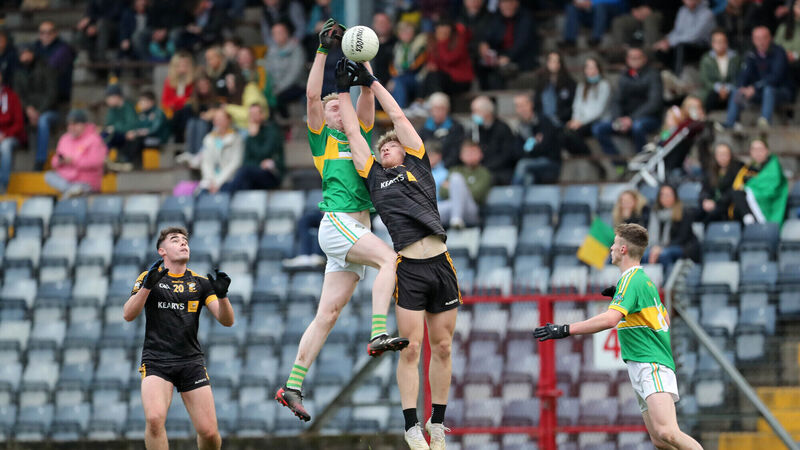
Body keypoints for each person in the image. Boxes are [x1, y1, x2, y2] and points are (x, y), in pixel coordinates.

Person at [275, 19, 409, 423]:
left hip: (356, 230)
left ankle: (292, 385)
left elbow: (365, 94)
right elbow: (312, 95)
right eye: (332, 106)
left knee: (328, 314)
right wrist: (322, 51)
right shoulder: (322, 139)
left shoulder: (360, 135)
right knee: (390, 260)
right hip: (337, 224)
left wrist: (364, 67)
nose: (336, 107)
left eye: (339, 104)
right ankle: (378, 332)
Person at [338, 57, 459, 450]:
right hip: (409, 267)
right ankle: (411, 426)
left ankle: (437, 422)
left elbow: (398, 115)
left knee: (443, 346)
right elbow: (353, 132)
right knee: (412, 349)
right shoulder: (374, 175)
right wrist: (343, 90)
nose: (388, 147)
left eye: (392, 144)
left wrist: (372, 81)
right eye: (383, 147)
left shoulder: (419, 165)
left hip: (440, 263)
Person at [534, 223, 704, 450]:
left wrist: (565, 329)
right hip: (641, 363)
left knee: (668, 432)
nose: (611, 248)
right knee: (659, 439)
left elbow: (610, 319)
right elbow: (664, 319)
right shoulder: (641, 280)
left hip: (650, 363)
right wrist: (621, 297)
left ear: (623, 249)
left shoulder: (631, 280)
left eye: (614, 244)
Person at [124, 227, 234, 450]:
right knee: (154, 420)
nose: (183, 243)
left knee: (209, 432)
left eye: (185, 240)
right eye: (175, 240)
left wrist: (222, 296)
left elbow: (227, 320)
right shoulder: (148, 278)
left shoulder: (200, 283)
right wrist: (147, 287)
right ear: (162, 251)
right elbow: (128, 314)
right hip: (157, 361)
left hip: (190, 362)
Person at [592, 47, 663, 164]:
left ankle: (644, 163)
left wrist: (631, 119)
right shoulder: (624, 76)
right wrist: (618, 119)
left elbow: (654, 103)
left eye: (637, 57)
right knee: (598, 129)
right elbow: (616, 101)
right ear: (627, 59)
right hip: (625, 120)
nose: (634, 60)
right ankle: (620, 165)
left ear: (644, 59)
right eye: (631, 58)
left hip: (648, 118)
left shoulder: (653, 75)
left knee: (638, 127)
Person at [722, 26, 795, 129]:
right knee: (737, 90)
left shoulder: (779, 53)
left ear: (770, 38)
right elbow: (744, 74)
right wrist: (742, 87)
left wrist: (755, 88)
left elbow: (776, 77)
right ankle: (730, 123)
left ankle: (764, 122)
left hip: (781, 91)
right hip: (759, 91)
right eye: (757, 38)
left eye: (764, 38)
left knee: (768, 90)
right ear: (753, 40)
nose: (761, 42)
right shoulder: (751, 54)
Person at [220, 103, 284, 192]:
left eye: (256, 114)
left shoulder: (271, 131)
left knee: (244, 173)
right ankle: (225, 193)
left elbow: (264, 153)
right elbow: (246, 160)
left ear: (262, 115)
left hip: (272, 174)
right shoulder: (250, 135)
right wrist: (252, 136)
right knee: (242, 182)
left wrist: (254, 136)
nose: (253, 117)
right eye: (251, 114)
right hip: (253, 173)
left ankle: (225, 194)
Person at [14, 45, 58, 171]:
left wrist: (38, 112)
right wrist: (28, 109)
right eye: (21, 54)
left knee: (43, 121)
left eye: (26, 52)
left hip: (49, 111)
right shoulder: (18, 73)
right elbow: (18, 95)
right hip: (27, 112)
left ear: (32, 53)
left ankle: (40, 160)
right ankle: (22, 144)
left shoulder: (46, 68)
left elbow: (52, 94)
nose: (24, 56)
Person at [44, 109, 107, 198]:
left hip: (86, 181)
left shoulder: (94, 139)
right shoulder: (64, 139)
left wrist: (73, 161)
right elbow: (54, 161)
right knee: (49, 176)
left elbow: (96, 162)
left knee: (78, 189)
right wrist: (60, 161)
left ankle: (72, 191)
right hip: (66, 180)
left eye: (75, 124)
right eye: (69, 124)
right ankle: (71, 190)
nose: (71, 127)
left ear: (84, 124)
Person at [478, 0, 537, 89]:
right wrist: (484, 43)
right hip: (500, 58)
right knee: (481, 67)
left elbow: (521, 43)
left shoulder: (526, 18)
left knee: (498, 76)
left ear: (516, 3)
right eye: (504, 3)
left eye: (510, 2)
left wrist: (508, 57)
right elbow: (489, 36)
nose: (507, 6)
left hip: (520, 59)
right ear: (499, 5)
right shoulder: (496, 18)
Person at [644, 184, 700, 276]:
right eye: (662, 195)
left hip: (683, 247)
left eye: (668, 195)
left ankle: (666, 280)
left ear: (675, 197)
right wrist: (655, 248)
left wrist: (661, 248)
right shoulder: (654, 213)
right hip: (657, 247)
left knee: (664, 254)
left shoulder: (684, 212)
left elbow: (682, 238)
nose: (665, 198)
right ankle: (648, 280)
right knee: (644, 254)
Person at [728, 139, 788, 224]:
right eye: (754, 150)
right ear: (750, 152)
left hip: (768, 204)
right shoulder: (748, 169)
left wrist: (747, 187)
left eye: (760, 149)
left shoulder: (773, 167)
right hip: (747, 204)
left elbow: (772, 188)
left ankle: (748, 219)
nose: (757, 153)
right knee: (735, 198)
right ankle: (747, 217)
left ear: (767, 151)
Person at [562, 57, 611, 156]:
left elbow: (599, 110)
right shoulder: (582, 85)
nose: (590, 70)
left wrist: (580, 122)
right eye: (588, 67)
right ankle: (583, 156)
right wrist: (575, 120)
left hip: (597, 120)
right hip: (581, 120)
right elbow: (577, 105)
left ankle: (589, 156)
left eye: (593, 67)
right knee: (563, 133)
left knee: (573, 133)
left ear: (599, 69)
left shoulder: (604, 85)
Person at [652, 0, 715, 76]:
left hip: (702, 46)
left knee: (680, 46)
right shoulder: (682, 11)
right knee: (660, 48)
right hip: (682, 43)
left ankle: (678, 76)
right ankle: (665, 75)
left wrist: (671, 42)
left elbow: (694, 36)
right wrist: (666, 40)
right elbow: (676, 31)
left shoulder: (707, 13)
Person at [439, 140, 492, 229]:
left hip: (471, 210)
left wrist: (459, 187)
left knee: (456, 178)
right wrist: (463, 188)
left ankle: (456, 218)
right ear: (461, 156)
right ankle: (455, 220)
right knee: (431, 210)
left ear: (481, 154)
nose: (470, 155)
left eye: (473, 152)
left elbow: (477, 195)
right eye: (467, 152)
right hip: (452, 205)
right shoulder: (454, 169)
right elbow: (442, 192)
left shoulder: (484, 173)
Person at [511, 93, 562, 185]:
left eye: (523, 105)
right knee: (528, 177)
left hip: (550, 162)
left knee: (523, 165)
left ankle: (512, 192)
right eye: (518, 106)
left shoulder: (544, 122)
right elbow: (517, 152)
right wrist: (533, 142)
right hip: (531, 164)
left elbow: (545, 148)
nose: (521, 109)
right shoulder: (519, 127)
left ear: (531, 104)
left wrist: (527, 148)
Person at [470, 95, 521, 186]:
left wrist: (486, 167)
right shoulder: (475, 129)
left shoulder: (503, 128)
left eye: (475, 111)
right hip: (480, 169)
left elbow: (507, 155)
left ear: (487, 112)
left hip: (501, 171)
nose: (473, 114)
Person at [117, 91, 169, 171]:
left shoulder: (158, 113)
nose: (140, 103)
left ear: (151, 102)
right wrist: (133, 133)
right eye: (140, 101)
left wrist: (139, 133)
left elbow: (155, 130)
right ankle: (124, 161)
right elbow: (136, 126)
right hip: (144, 138)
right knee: (127, 138)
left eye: (142, 101)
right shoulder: (142, 114)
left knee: (137, 140)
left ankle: (131, 163)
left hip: (158, 139)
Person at [422, 19, 474, 99]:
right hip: (443, 79)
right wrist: (431, 66)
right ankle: (424, 101)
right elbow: (431, 60)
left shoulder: (459, 39)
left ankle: (436, 101)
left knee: (434, 78)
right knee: (430, 76)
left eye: (445, 30)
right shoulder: (433, 41)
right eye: (440, 30)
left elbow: (448, 60)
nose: (442, 33)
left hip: (460, 81)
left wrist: (442, 42)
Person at [264, 21, 306, 118]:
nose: (277, 36)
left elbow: (294, 73)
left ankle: (285, 121)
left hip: (296, 85)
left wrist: (279, 88)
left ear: (287, 33)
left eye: (280, 32)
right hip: (276, 86)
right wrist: (270, 87)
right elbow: (268, 70)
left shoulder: (296, 48)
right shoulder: (271, 50)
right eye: (274, 33)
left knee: (278, 98)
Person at [198, 109, 243, 194]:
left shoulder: (236, 139)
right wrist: (210, 181)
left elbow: (235, 163)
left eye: (222, 119)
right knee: (201, 195)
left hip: (228, 180)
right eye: (216, 119)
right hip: (210, 182)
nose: (219, 122)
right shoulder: (209, 139)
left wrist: (218, 182)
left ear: (228, 120)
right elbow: (206, 162)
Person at [699, 141, 745, 223]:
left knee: (711, 215)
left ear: (730, 155)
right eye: (720, 154)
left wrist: (715, 203)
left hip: (727, 205)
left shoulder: (737, 169)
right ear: (715, 156)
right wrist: (705, 200)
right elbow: (704, 189)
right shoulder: (711, 170)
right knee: (691, 213)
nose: (722, 157)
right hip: (711, 203)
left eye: (725, 154)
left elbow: (733, 191)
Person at [417, 92, 465, 168]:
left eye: (441, 108)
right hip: (428, 167)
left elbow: (456, 151)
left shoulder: (456, 128)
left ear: (447, 109)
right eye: (435, 108)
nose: (437, 112)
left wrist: (443, 166)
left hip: (450, 168)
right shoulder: (424, 129)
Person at [699, 30, 743, 111]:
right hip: (713, 90)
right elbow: (705, 79)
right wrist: (719, 88)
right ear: (712, 44)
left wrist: (727, 88)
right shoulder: (706, 59)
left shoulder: (735, 58)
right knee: (709, 97)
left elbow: (739, 76)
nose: (720, 44)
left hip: (731, 89)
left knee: (737, 95)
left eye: (723, 41)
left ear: (727, 42)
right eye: (717, 42)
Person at [388, 21, 427, 110]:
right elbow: (392, 67)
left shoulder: (419, 46)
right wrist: (393, 78)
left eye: (409, 32)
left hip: (416, 78)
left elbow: (414, 67)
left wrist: (396, 78)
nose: (406, 35)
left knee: (397, 83)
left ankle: (399, 110)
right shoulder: (396, 47)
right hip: (399, 77)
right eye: (403, 32)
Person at [33, 21, 75, 103]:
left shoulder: (63, 49)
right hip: (39, 91)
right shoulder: (36, 46)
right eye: (42, 32)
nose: (46, 35)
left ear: (56, 33)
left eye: (50, 32)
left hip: (58, 92)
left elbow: (50, 67)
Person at [533, 51, 576, 127]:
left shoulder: (569, 83)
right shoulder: (541, 82)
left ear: (560, 64)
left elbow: (572, 104)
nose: (553, 64)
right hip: (543, 121)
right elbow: (536, 103)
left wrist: (562, 117)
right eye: (550, 61)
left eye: (555, 61)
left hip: (562, 121)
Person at [562, 0, 626, 48]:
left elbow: (617, 1)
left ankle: (596, 38)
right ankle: (570, 40)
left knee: (599, 6)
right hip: (591, 12)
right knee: (571, 7)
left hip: (611, 13)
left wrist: (592, 2)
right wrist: (578, 2)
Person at [161, 51, 195, 140]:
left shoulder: (193, 81)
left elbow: (192, 101)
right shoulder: (169, 81)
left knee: (186, 110)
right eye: (179, 65)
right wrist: (182, 101)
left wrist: (177, 102)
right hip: (173, 113)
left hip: (188, 112)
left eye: (185, 65)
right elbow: (166, 102)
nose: (182, 68)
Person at [0, 71, 24, 192]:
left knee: (5, 146)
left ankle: (3, 186)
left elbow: (19, 124)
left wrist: (5, 135)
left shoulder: (12, 96)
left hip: (11, 136)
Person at [102, 84, 138, 151]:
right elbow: (108, 124)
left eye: (109, 98)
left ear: (116, 97)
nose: (107, 101)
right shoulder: (112, 109)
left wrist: (115, 128)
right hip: (117, 134)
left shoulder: (128, 107)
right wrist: (113, 128)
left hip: (127, 135)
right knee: (103, 135)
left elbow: (132, 125)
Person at [775, 0, 800, 86]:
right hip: (783, 61)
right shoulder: (783, 27)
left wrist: (796, 56)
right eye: (797, 5)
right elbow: (776, 46)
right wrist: (784, 55)